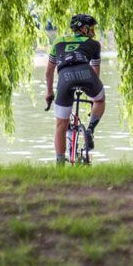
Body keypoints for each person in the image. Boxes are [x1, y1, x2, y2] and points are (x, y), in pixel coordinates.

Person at [45, 14, 106, 164]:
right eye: (91, 28)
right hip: (86, 73)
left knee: (60, 125)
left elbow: (49, 72)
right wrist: (92, 95)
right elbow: (96, 72)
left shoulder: (58, 42)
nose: (93, 31)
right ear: (84, 29)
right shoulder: (94, 44)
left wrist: (49, 93)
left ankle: (59, 164)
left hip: (64, 77)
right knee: (100, 99)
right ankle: (90, 129)